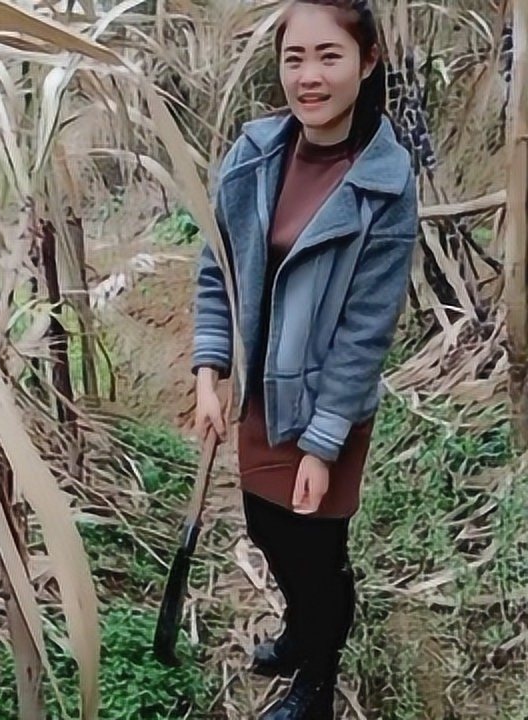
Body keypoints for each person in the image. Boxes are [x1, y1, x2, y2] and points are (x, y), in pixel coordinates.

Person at [192, 1, 418, 718]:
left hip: (331, 405)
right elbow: (216, 266)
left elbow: (364, 333)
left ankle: (316, 682)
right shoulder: (253, 152)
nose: (310, 76)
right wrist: (210, 374)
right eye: (295, 58)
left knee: (318, 554)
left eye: (329, 56)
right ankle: (298, 632)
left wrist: (322, 447)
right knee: (267, 530)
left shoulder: (385, 184)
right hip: (262, 394)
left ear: (368, 61)